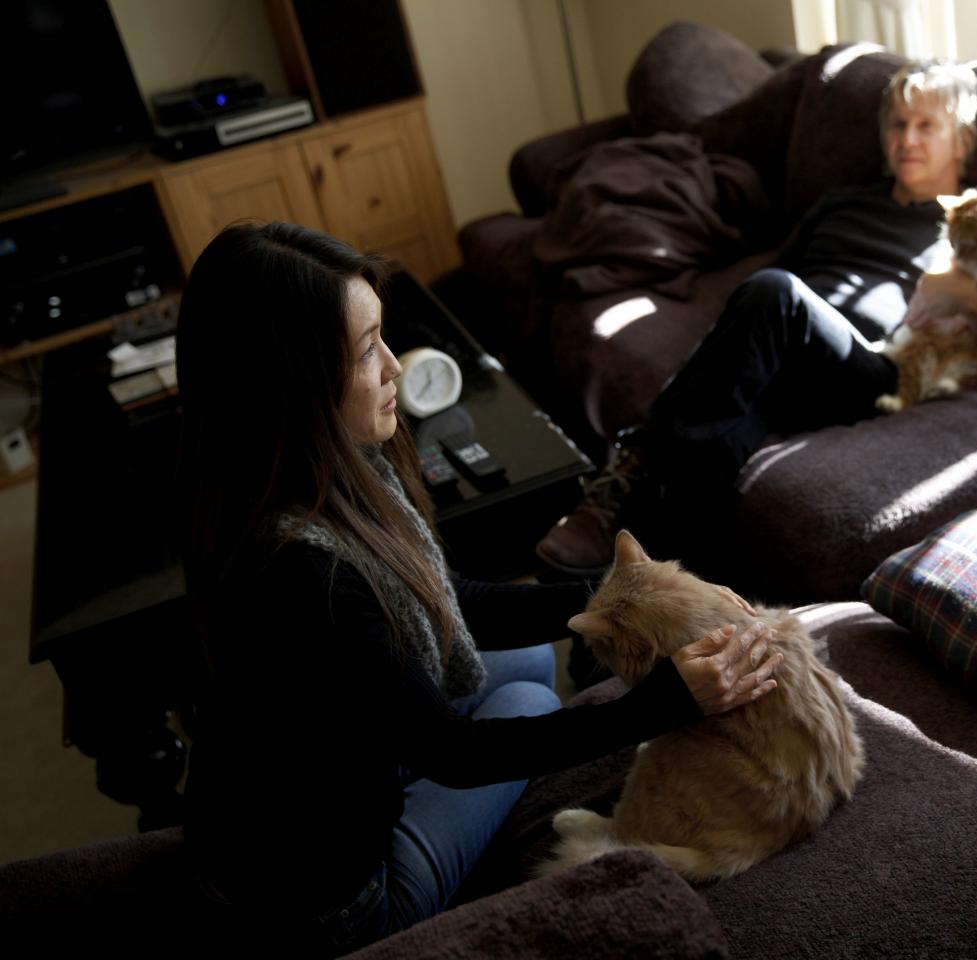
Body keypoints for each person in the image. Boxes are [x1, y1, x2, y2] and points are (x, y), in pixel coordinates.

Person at [175, 221, 782, 955]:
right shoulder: (306, 572)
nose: (396, 367)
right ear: (293, 383)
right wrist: (656, 706)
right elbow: (457, 755)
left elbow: (451, 602)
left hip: (287, 786)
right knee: (527, 694)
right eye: (368, 351)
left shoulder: (272, 479)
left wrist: (639, 594)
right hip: (328, 903)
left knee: (522, 661)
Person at [536, 59, 977, 577]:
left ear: (963, 141)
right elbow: (776, 274)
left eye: (926, 125)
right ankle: (636, 577)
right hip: (791, 343)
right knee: (727, 428)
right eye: (897, 124)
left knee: (776, 295)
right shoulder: (842, 203)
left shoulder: (972, 225)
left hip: (872, 365)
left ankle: (632, 467)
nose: (907, 138)